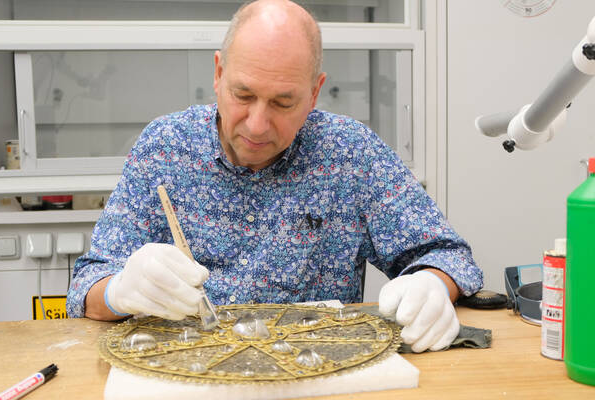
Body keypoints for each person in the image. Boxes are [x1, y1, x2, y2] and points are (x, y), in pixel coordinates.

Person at [67, 0, 483, 353]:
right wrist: (120, 290)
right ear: (218, 74)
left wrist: (431, 285)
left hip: (317, 375)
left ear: (315, 93)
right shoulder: (164, 146)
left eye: (283, 103)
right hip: (187, 374)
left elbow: (449, 256)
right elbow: (85, 289)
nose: (258, 125)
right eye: (242, 95)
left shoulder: (351, 154)